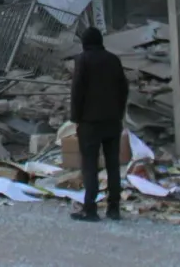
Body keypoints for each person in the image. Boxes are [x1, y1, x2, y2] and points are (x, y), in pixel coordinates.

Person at [68, 25, 129, 222]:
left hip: (89, 122)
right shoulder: (113, 60)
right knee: (112, 165)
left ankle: (90, 208)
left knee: (90, 165)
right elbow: (124, 88)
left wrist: (75, 117)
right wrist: (119, 112)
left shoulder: (83, 60)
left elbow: (77, 90)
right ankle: (114, 208)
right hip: (112, 121)